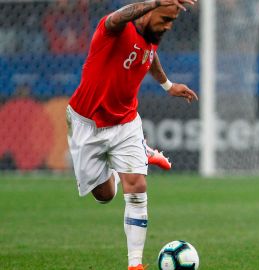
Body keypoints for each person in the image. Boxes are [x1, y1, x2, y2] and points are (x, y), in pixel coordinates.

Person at [66, 1, 198, 269]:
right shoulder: (114, 29)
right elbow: (116, 18)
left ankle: (134, 264)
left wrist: (168, 85)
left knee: (136, 186)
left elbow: (148, 56)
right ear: (147, 11)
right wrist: (155, 2)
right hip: (86, 123)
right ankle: (141, 154)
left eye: (172, 21)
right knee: (104, 195)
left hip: (126, 121)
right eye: (164, 18)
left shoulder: (153, 35)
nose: (168, 26)